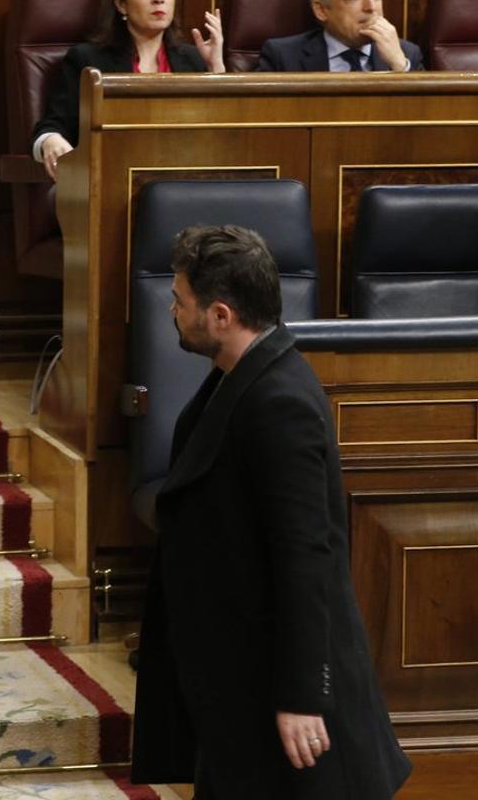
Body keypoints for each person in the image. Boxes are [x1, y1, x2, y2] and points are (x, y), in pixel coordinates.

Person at [130, 225, 411, 800]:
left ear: (222, 316)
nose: (172, 310)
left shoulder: (280, 402)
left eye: (181, 301)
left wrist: (303, 697)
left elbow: (309, 557)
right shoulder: (241, 379)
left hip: (277, 694)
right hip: (237, 679)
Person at [30, 0, 225, 178]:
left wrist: (216, 69)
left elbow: (219, 138)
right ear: (121, 4)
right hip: (115, 176)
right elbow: (53, 125)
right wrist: (51, 141)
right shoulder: (88, 61)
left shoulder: (192, 59)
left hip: (183, 176)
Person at [256, 0, 423, 72]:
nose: (371, 6)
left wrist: (400, 67)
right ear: (321, 10)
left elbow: (427, 117)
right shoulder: (283, 57)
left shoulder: (407, 54)